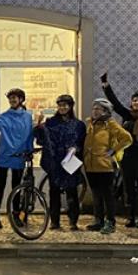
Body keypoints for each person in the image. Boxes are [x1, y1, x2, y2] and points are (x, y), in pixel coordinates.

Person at [101, 74, 138, 227]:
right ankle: (131, 216)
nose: (136, 103)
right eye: (134, 100)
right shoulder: (127, 115)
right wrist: (106, 85)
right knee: (128, 188)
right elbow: (115, 103)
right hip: (127, 157)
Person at [34, 94, 87, 231]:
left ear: (70, 107)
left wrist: (76, 148)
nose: (62, 107)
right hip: (55, 160)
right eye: (60, 105)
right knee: (54, 191)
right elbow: (41, 138)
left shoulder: (79, 125)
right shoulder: (51, 122)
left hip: (70, 159)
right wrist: (38, 126)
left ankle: (73, 221)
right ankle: (55, 221)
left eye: (65, 105)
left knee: (72, 192)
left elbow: (82, 142)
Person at [0, 88, 34, 229]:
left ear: (21, 99)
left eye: (15, 97)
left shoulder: (27, 116)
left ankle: (16, 215)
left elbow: (30, 135)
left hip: (19, 156)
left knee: (16, 187)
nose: (12, 100)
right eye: (10, 97)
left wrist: (29, 150)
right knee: (0, 185)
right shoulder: (4, 116)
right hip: (4, 156)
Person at [83, 98, 132, 235]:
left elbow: (127, 138)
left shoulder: (110, 124)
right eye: (94, 108)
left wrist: (113, 150)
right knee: (96, 195)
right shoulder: (90, 123)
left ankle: (110, 222)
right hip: (90, 165)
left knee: (107, 195)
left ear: (105, 111)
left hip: (105, 166)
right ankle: (98, 220)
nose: (95, 111)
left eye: (98, 109)